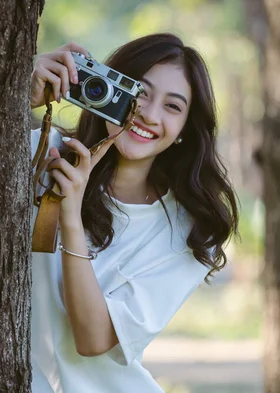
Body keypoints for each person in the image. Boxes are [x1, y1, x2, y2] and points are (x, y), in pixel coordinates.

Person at [29, 33, 239, 393]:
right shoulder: (40, 154)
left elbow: (93, 340)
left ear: (184, 131)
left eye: (173, 107)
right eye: (139, 91)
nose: (148, 113)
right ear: (110, 84)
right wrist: (16, 93)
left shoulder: (186, 235)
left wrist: (71, 215)